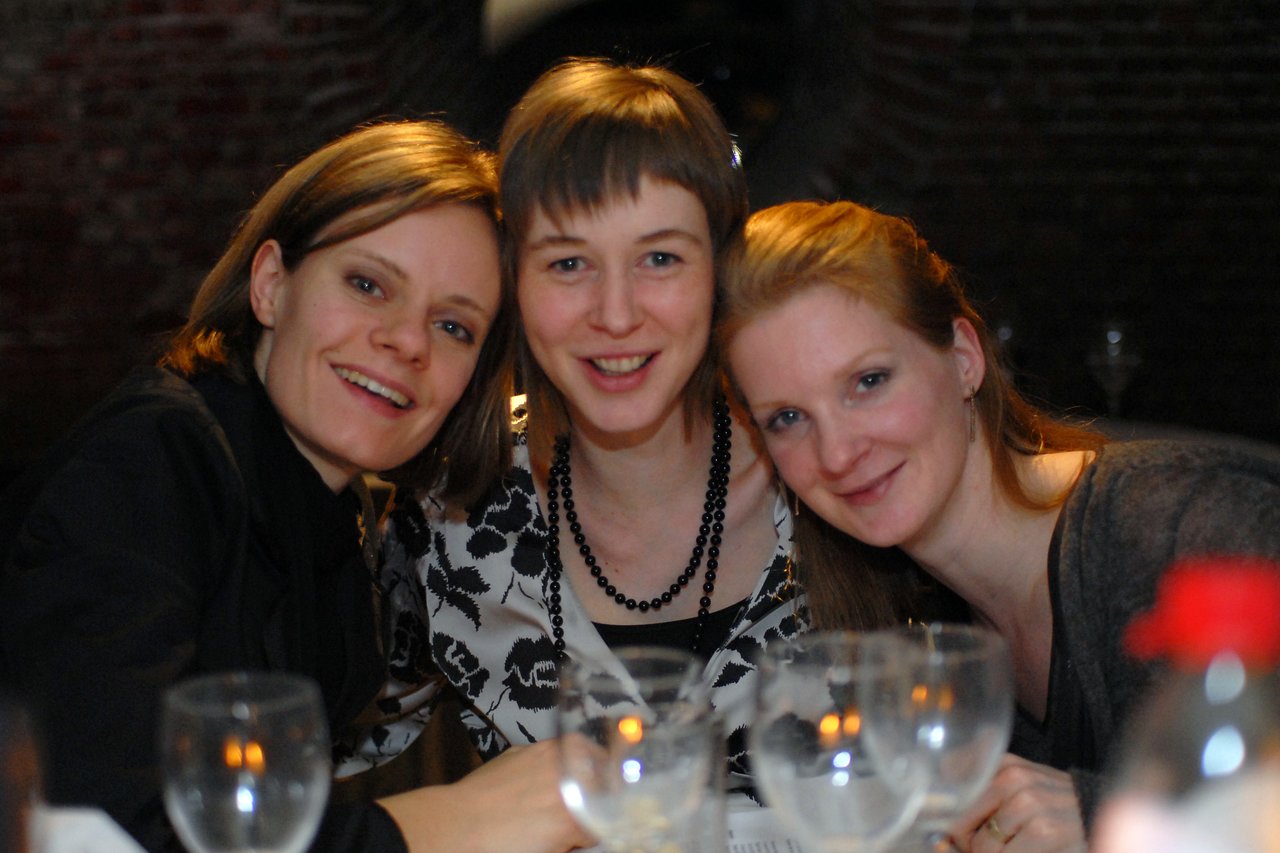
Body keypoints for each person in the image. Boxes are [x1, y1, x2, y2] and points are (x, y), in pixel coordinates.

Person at [356, 59, 943, 815]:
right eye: (569, 263)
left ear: (718, 270)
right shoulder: (450, 511)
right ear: (513, 283)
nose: (617, 313)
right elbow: (301, 756)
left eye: (659, 258)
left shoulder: (831, 465)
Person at [0, 120, 585, 853]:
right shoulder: (149, 464)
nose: (407, 340)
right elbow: (98, 829)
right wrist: (446, 825)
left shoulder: (333, 513)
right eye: (369, 284)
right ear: (271, 284)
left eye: (453, 325)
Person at [717, 199, 1280, 852]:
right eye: (788, 417)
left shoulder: (1186, 522)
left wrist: (1104, 819)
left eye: (868, 381)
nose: (837, 453)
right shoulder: (924, 632)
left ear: (963, 359)